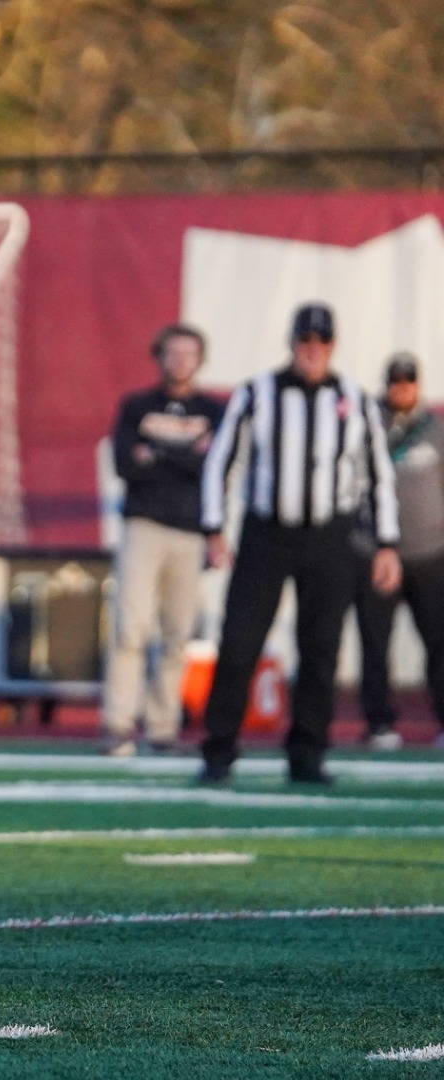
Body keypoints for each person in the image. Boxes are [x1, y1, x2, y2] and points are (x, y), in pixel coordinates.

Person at [197, 302, 400, 786]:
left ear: (333, 345)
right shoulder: (257, 392)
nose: (313, 350)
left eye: (321, 342)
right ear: (293, 344)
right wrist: (213, 528)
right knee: (240, 642)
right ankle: (219, 751)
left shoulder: (355, 398)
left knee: (322, 648)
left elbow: (380, 476)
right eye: (305, 341)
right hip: (267, 532)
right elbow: (221, 460)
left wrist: (387, 543)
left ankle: (307, 753)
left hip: (330, 536)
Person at [102, 324, 225, 757]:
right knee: (131, 627)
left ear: (200, 359)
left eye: (188, 353)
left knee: (177, 634)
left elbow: (215, 469)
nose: (180, 362)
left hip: (190, 531)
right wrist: (186, 456)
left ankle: (162, 725)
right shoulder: (137, 406)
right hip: (143, 525)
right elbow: (125, 464)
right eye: (172, 353)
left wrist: (157, 455)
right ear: (159, 356)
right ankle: (118, 721)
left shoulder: (214, 409)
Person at [352, 352, 444, 748]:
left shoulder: (435, 430)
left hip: (429, 553)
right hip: (374, 553)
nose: (401, 389)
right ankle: (379, 723)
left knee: (439, 641)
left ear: (417, 385)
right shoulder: (363, 425)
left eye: (408, 382)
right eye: (395, 382)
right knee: (374, 643)